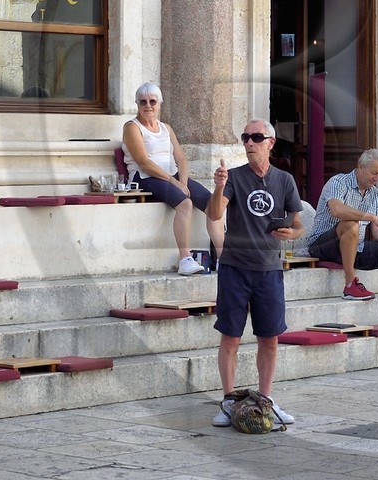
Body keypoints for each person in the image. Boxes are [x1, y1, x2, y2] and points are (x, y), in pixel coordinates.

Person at [205, 120, 303, 427]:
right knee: (231, 337)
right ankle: (227, 401)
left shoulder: (285, 180)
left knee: (269, 338)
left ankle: (265, 400)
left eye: (256, 137)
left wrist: (292, 234)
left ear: (270, 143)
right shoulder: (233, 177)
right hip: (235, 267)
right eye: (245, 137)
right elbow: (214, 214)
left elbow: (298, 225)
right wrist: (219, 185)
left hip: (269, 268)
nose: (249, 142)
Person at [307, 150, 378, 328]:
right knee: (351, 224)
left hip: (354, 246)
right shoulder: (338, 182)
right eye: (374, 172)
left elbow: (376, 232)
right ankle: (350, 284)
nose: (377, 178)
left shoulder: (375, 194)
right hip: (322, 244)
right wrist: (371, 217)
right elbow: (337, 210)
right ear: (360, 167)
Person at [121, 83, 223, 275]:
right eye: (143, 101)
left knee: (214, 204)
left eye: (152, 101)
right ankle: (185, 259)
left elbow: (181, 158)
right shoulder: (132, 127)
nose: (148, 105)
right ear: (137, 104)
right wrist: (175, 183)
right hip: (145, 177)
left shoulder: (166, 128)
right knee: (185, 204)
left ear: (160, 104)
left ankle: (224, 259)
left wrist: (182, 181)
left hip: (172, 176)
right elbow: (144, 162)